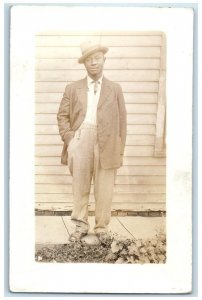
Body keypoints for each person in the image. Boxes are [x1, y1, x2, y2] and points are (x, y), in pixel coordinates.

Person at [57, 40, 127, 242]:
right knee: (80, 185)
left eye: (97, 58)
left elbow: (122, 121)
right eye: (89, 60)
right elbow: (62, 116)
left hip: (108, 141)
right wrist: (71, 139)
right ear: (84, 64)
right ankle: (80, 225)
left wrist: (120, 150)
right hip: (81, 138)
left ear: (104, 59)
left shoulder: (115, 89)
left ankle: (102, 229)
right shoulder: (72, 88)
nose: (93, 63)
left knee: (104, 188)